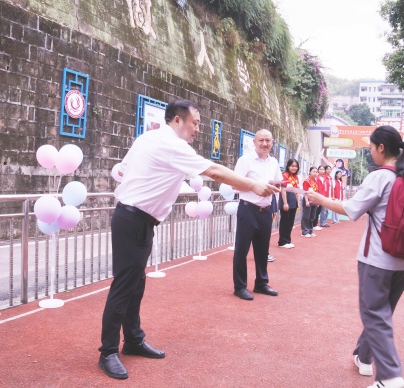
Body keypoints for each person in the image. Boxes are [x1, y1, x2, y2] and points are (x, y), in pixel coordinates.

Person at [98, 100, 279, 379]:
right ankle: (108, 351)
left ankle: (133, 340)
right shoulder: (172, 145)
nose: (198, 128)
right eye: (195, 122)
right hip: (132, 219)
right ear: (178, 121)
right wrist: (253, 185)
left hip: (138, 219)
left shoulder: (149, 137)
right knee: (124, 286)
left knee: (136, 284)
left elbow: (121, 170)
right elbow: (214, 171)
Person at [307, 125, 404, 388]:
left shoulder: (380, 177)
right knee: (381, 313)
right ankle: (364, 358)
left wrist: (320, 198)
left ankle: (390, 376)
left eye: (370, 147)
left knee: (374, 314)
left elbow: (349, 209)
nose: (369, 151)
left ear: (381, 148)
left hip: (377, 258)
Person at [232, 129, 283, 301]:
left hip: (266, 211)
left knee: (262, 250)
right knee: (242, 249)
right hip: (248, 209)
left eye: (268, 140)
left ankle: (261, 283)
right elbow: (235, 185)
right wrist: (256, 186)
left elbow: (278, 184)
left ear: (272, 142)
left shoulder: (274, 162)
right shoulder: (244, 160)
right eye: (261, 140)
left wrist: (274, 201)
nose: (264, 144)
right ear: (254, 142)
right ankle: (240, 286)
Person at [278, 159, 300, 249]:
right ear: (288, 166)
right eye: (292, 166)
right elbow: (283, 190)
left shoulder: (296, 177)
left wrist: (297, 202)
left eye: (296, 166)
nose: (294, 168)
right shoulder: (284, 175)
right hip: (286, 201)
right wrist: (285, 203)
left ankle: (288, 240)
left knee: (290, 222)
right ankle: (282, 241)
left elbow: (296, 190)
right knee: (285, 222)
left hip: (293, 201)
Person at [301, 166, 319, 237]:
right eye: (313, 172)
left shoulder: (315, 181)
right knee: (306, 216)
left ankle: (310, 231)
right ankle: (305, 231)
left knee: (312, 217)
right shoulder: (307, 181)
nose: (315, 173)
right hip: (308, 200)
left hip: (314, 200)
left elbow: (316, 192)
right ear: (310, 172)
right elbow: (305, 192)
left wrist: (317, 201)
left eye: (316, 172)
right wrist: (306, 201)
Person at [312, 166, 327, 230]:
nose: (321, 170)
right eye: (320, 169)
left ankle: (315, 224)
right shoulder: (316, 178)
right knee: (316, 211)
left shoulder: (325, 178)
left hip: (323, 196)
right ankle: (314, 224)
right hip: (318, 195)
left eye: (323, 169)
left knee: (319, 211)